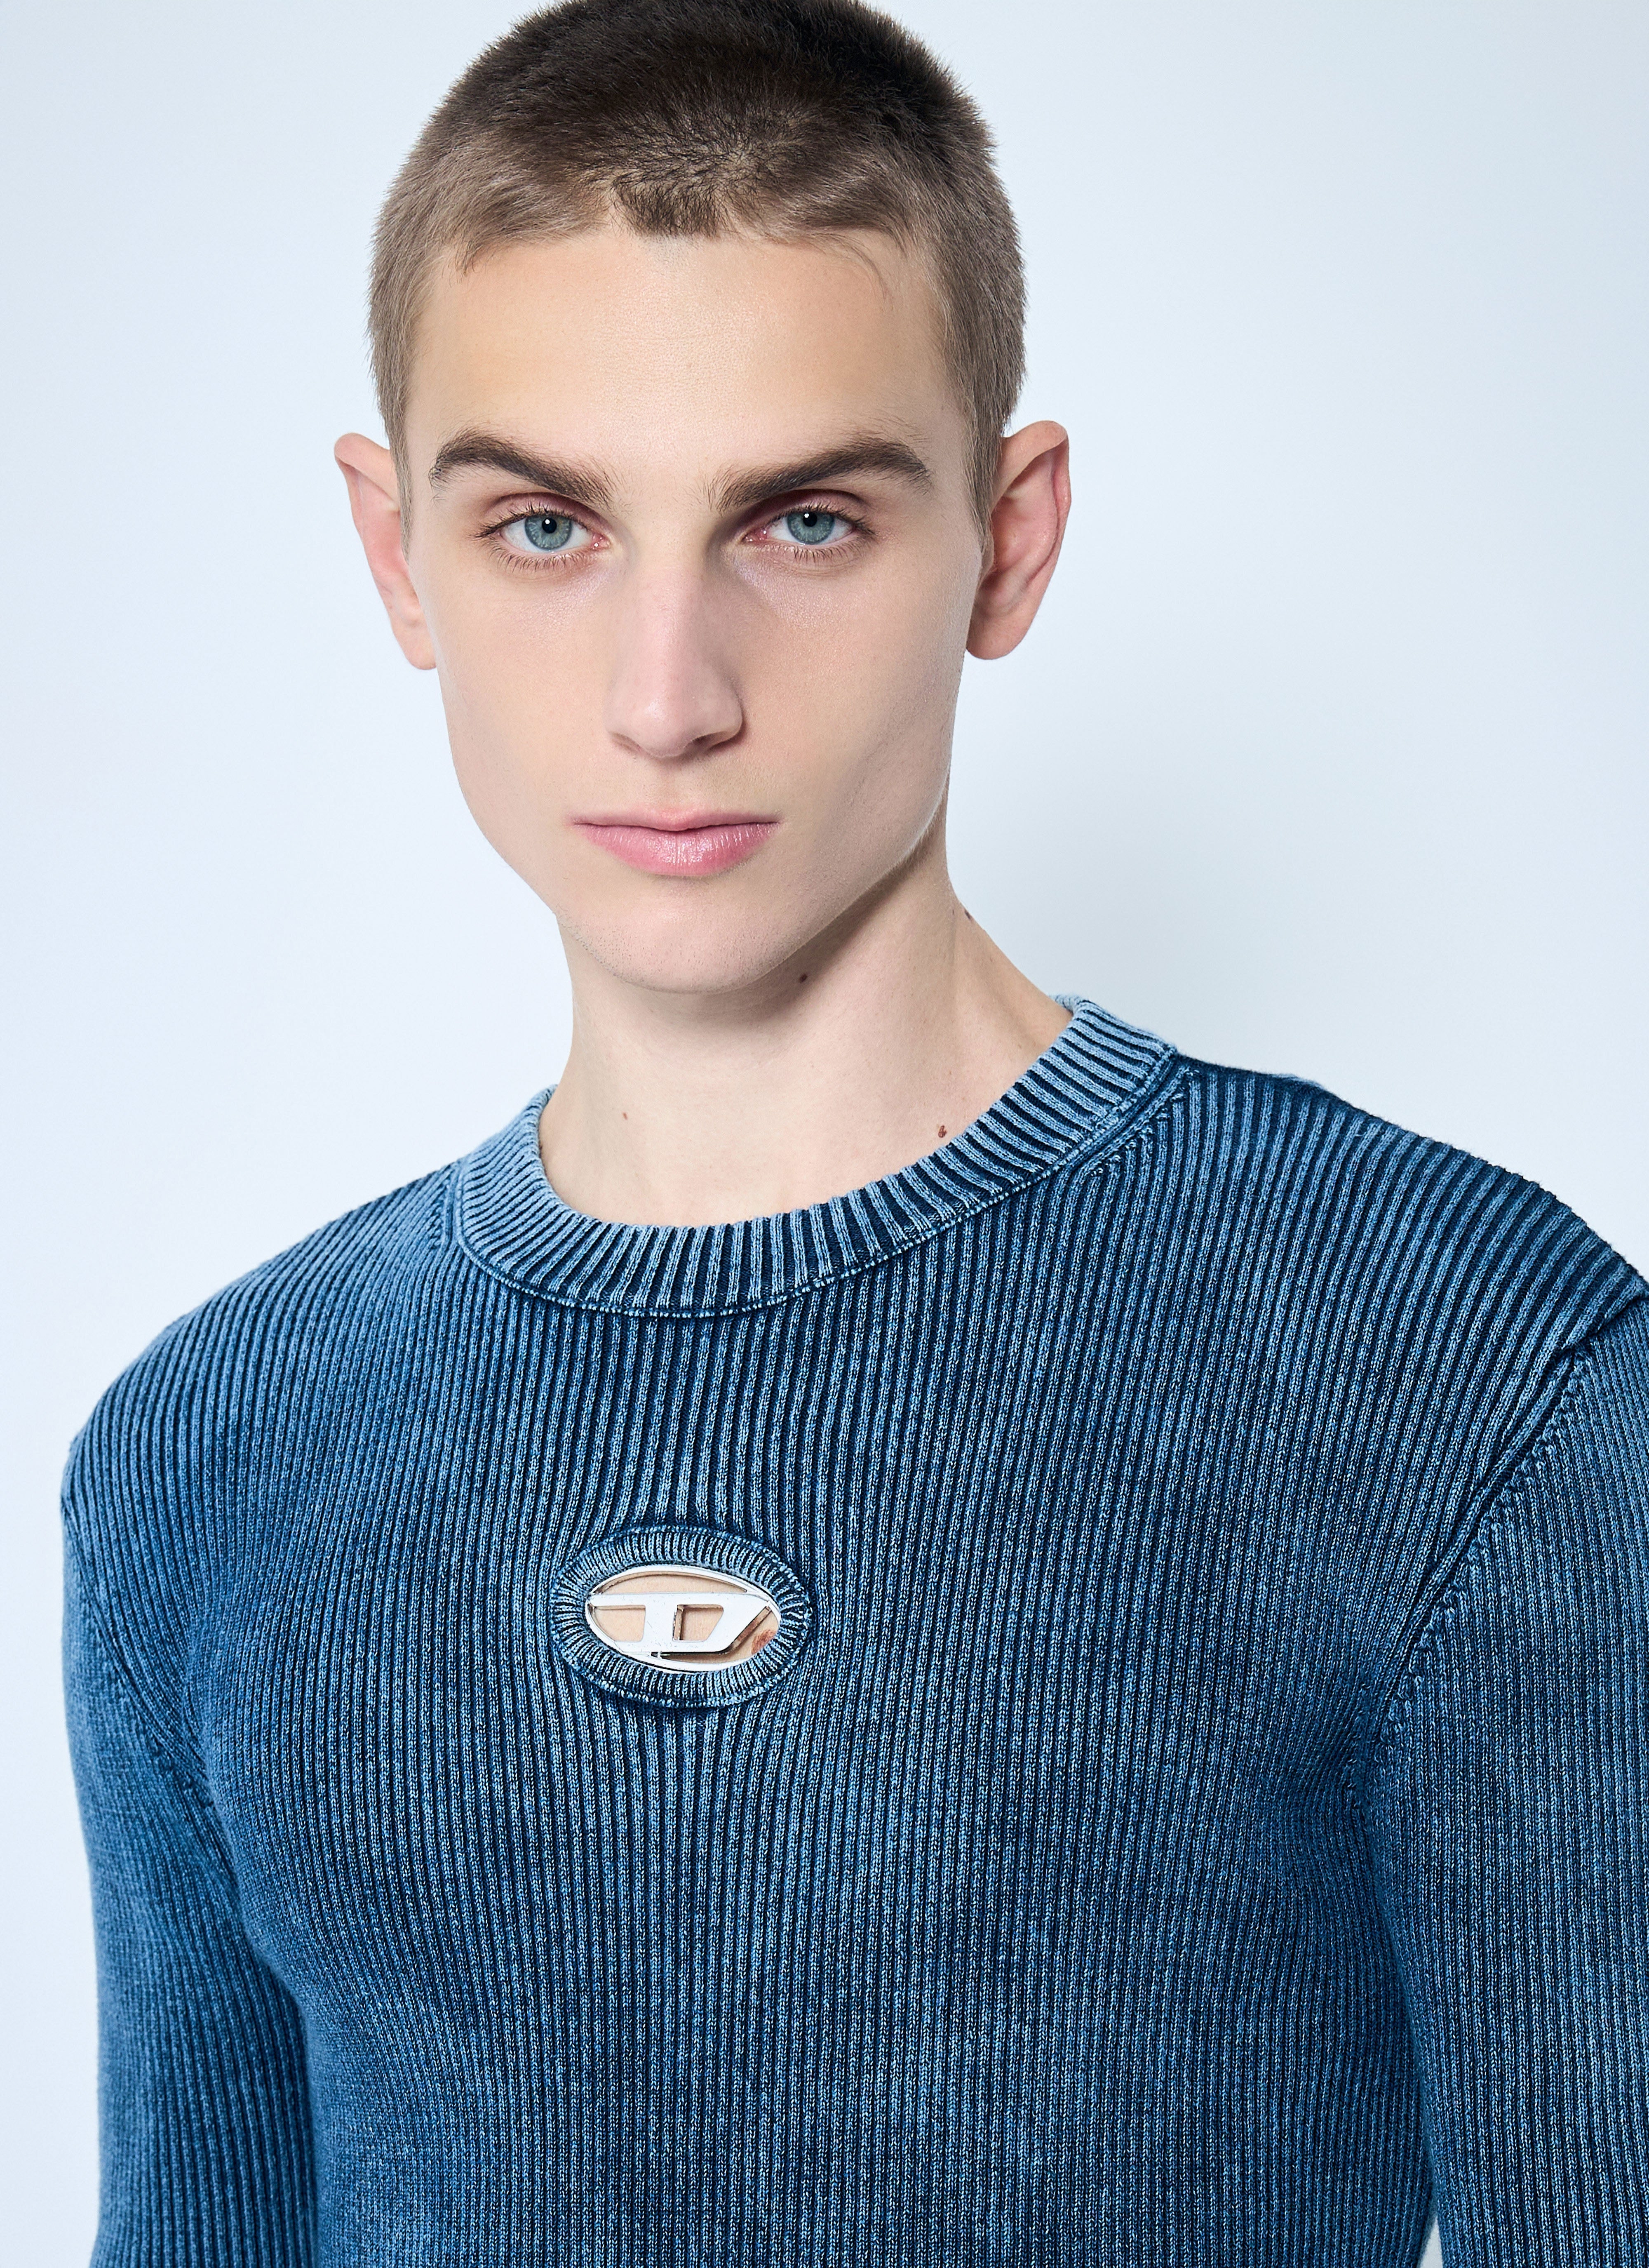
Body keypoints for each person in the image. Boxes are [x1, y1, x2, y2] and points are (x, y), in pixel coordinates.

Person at [60, 0, 1649, 2260]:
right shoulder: (210, 1458)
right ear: (397, 552)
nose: (668, 694)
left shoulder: (1466, 1378)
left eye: (803, 521)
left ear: (1008, 540)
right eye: (545, 526)